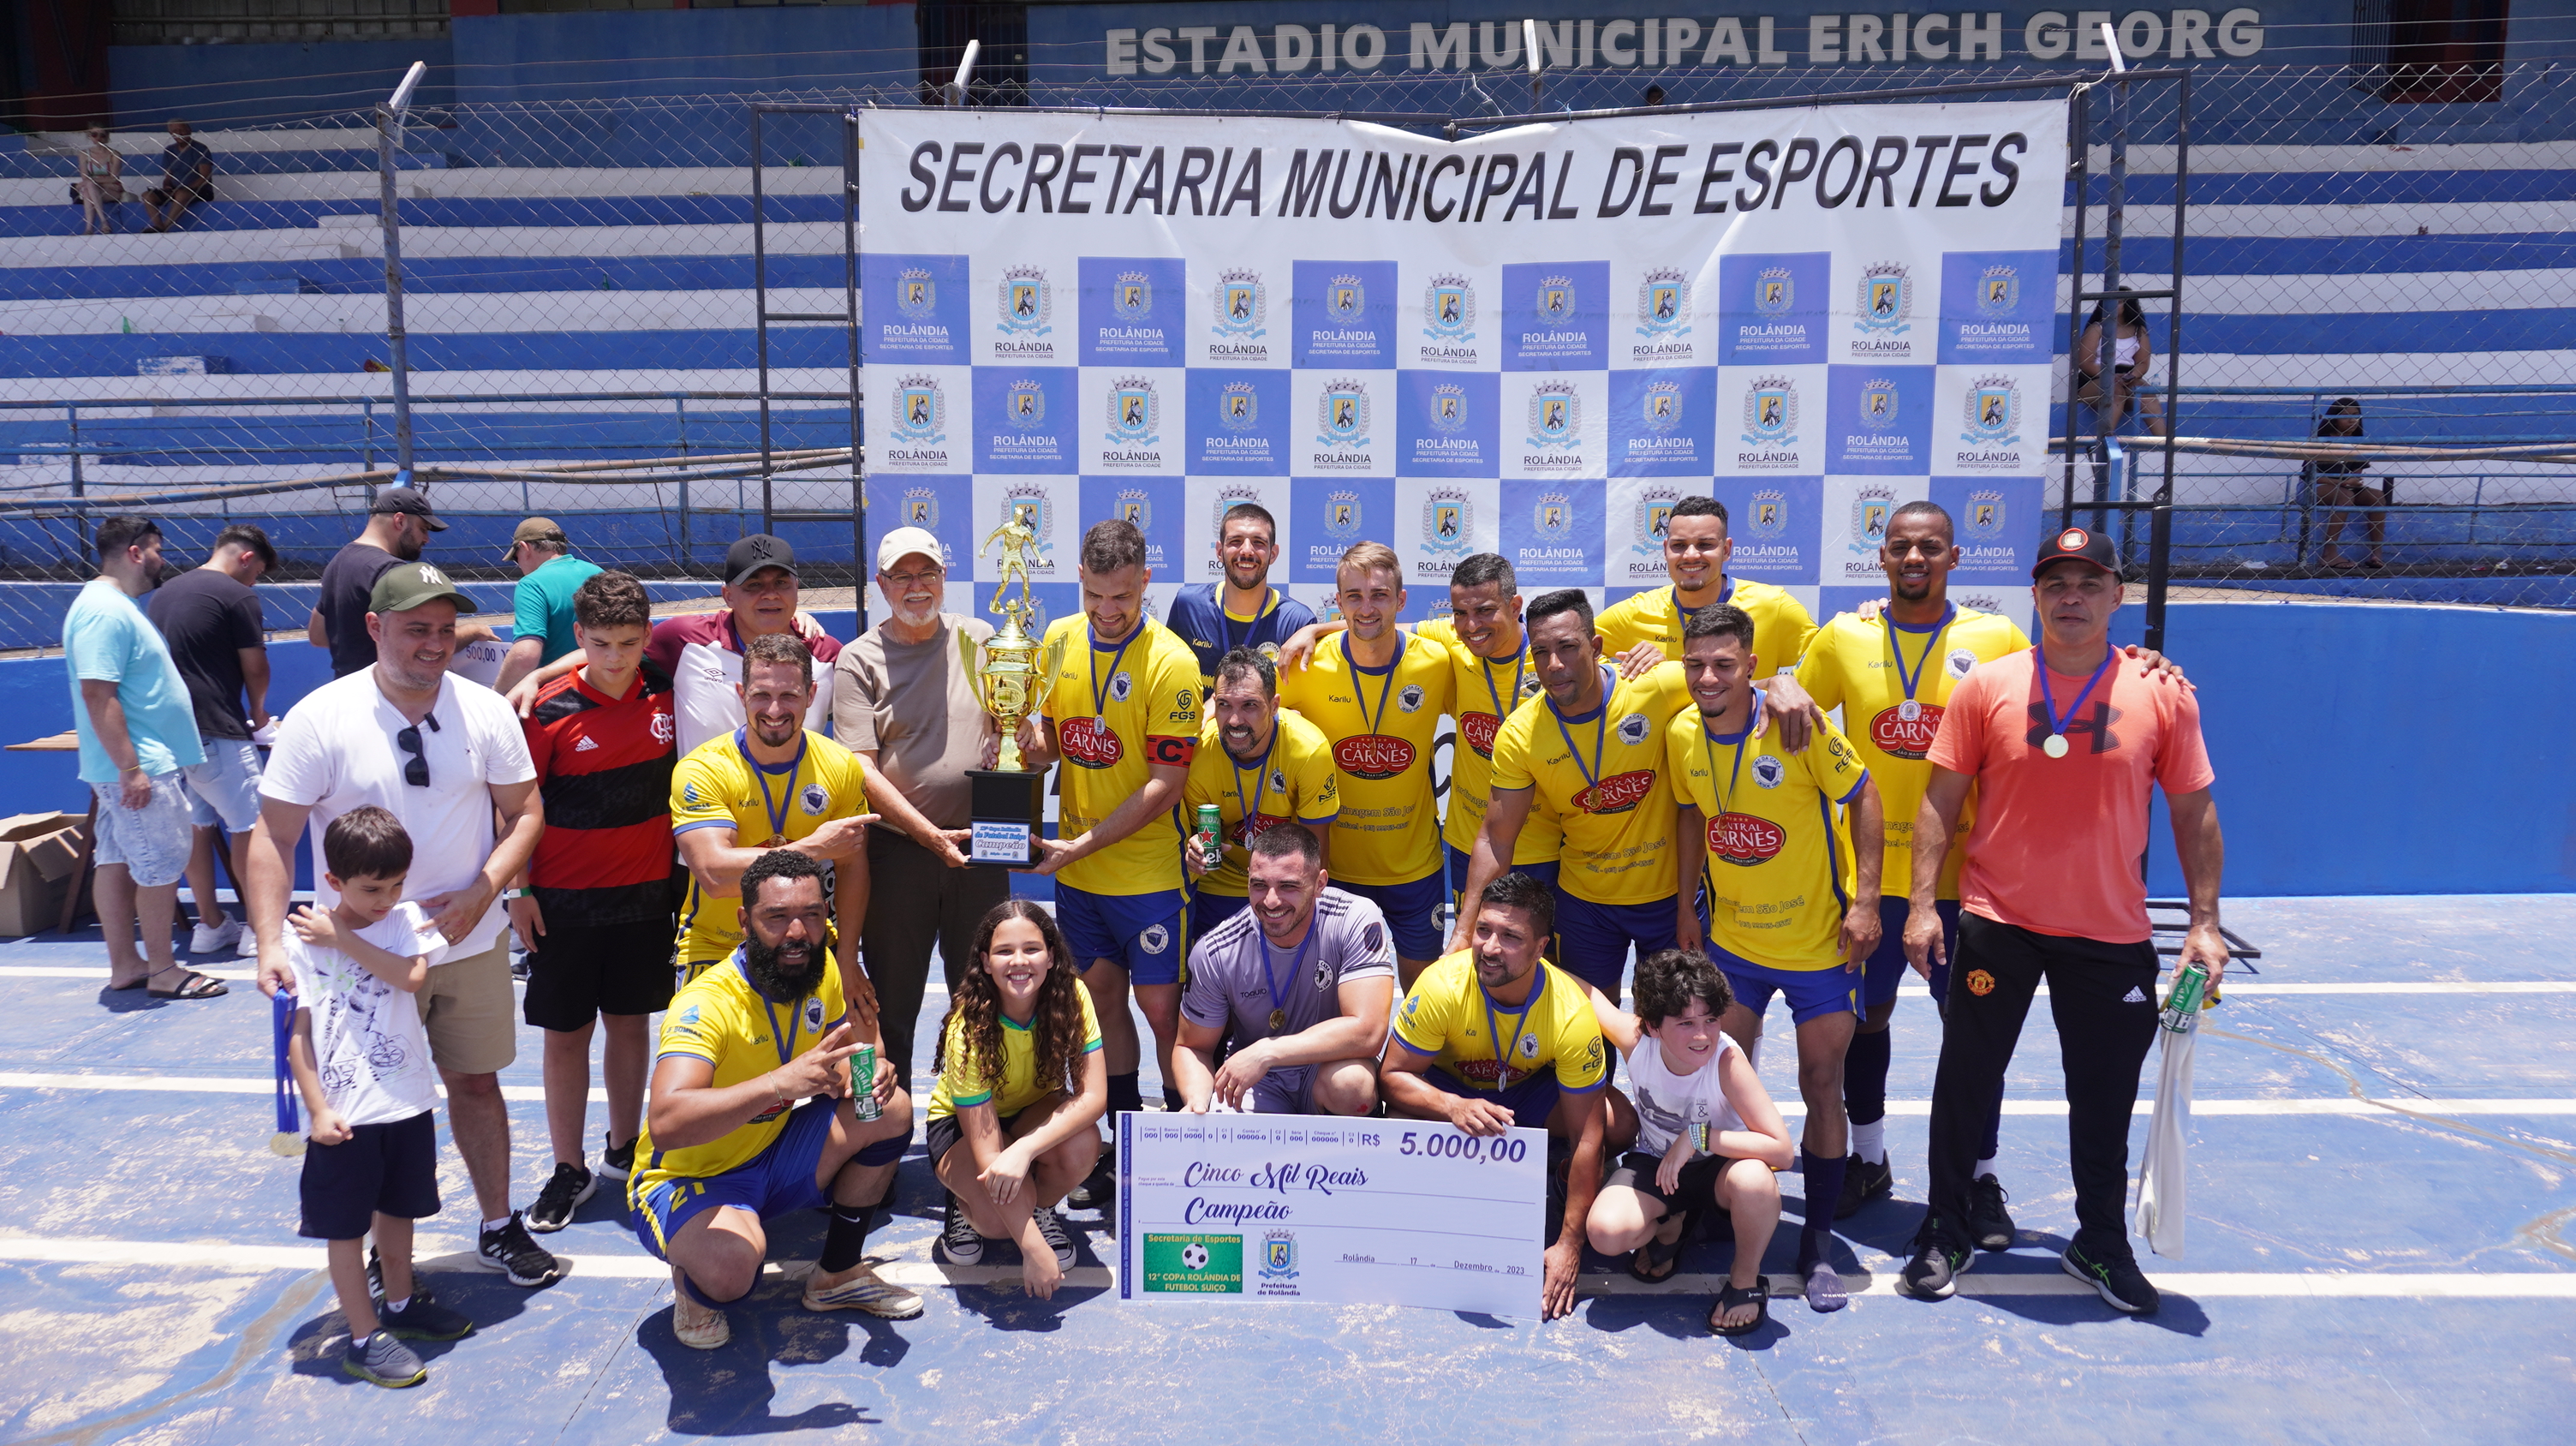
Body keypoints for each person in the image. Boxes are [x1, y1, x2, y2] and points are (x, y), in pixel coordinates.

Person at [1899, 525, 2226, 1317]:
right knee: (1966, 1082)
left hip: (2109, 931)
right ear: (2036, 596)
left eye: (2088, 584)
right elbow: (1940, 801)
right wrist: (1921, 905)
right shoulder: (1988, 686)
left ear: (2118, 596)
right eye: (2056, 584)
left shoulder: (2163, 692)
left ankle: (2100, 1243)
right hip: (1998, 919)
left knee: (2104, 1097)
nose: (2071, 598)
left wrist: (2204, 923)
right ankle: (1945, 1228)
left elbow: (2194, 812)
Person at [249, 560, 559, 1289]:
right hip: (360, 956)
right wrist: (267, 941)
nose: (436, 643)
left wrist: (484, 891)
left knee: (476, 1084)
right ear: (374, 627)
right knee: (369, 1105)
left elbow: (526, 813)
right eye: (417, 628)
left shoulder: (484, 711)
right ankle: (384, 1260)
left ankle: (497, 1225)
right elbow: (273, 835)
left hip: (466, 939)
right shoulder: (321, 717)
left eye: (446, 629)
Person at [1793, 501, 2028, 1226]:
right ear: (1882, 557)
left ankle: (1980, 1179)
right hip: (1866, 882)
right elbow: (1788, 705)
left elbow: (2060, 684)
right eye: (1900, 547)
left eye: (1930, 547)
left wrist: (2144, 660)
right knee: (1864, 1023)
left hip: (1966, 882)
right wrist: (1779, 682)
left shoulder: (1997, 637)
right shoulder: (1845, 635)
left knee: (1974, 1035)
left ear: (1955, 557)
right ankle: (1868, 1158)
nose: (1914, 558)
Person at [1671, 602, 1882, 1313]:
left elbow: (1865, 796)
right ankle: (1719, 1205)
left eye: (1724, 665)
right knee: (1718, 1085)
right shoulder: (1680, 732)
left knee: (1822, 1084)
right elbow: (1690, 815)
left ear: (1753, 666)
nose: (1708, 677)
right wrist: (1686, 906)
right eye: (1696, 664)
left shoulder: (1797, 723)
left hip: (1820, 947)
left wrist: (1866, 901)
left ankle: (1816, 1240)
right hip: (1735, 947)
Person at [631, 848, 922, 1347]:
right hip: (688, 1177)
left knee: (888, 1109)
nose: (797, 932)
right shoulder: (706, 1003)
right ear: (745, 921)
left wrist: (871, 1073)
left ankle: (837, 1274)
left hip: (769, 1152)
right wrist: (778, 1084)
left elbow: (848, 1056)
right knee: (730, 1269)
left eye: (812, 915)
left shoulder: (820, 969)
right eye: (777, 917)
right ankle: (692, 1281)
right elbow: (667, 1122)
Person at [1014, 519, 1201, 1205]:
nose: (1107, 610)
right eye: (1094, 595)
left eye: (1122, 596)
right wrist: (1027, 743)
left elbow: (1165, 786)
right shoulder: (1060, 638)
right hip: (1080, 878)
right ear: (1080, 581)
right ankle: (1121, 1147)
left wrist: (1083, 844)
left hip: (1148, 878)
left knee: (1163, 1013)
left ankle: (1183, 1149)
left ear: (1145, 581)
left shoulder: (1172, 662)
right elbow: (1054, 744)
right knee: (1101, 1009)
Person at [282, 805, 477, 1388]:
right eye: (371, 889)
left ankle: (400, 1302)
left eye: (396, 885)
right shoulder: (302, 940)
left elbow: (411, 977)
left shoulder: (403, 920)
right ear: (333, 881)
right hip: (346, 1115)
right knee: (346, 1230)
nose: (386, 899)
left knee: (400, 1211)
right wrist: (318, 1110)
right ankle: (364, 1338)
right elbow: (298, 1036)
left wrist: (342, 936)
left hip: (405, 1101)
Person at [514, 571, 677, 1233]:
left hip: (646, 896)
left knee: (631, 1025)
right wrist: (519, 890)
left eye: (629, 643)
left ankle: (623, 1147)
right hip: (563, 901)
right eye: (601, 643)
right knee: (566, 1037)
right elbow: (515, 808)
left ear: (647, 637)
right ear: (578, 636)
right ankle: (567, 1166)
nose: (615, 657)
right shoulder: (545, 709)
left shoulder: (665, 689)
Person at [1273, 553, 1562, 911]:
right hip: (1466, 844)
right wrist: (1314, 630)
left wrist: (1635, 661)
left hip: (1542, 845)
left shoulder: (1552, 658)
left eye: (1485, 611)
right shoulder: (1452, 642)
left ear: (1515, 606)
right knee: (1472, 943)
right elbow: (1377, 627)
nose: (1472, 625)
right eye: (1461, 614)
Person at [1382, 872, 1607, 1322]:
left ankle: (1558, 1179)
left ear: (1541, 948)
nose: (1489, 947)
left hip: (1525, 1095)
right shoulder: (1441, 985)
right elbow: (1391, 1076)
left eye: (1510, 937)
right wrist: (1452, 1106)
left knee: (1617, 1125)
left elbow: (1589, 1135)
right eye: (1483, 929)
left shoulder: (1572, 1013)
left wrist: (1570, 1244)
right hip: (1454, 1091)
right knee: (1396, 1123)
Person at [1458, 589, 1696, 1003]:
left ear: (1596, 647)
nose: (1554, 665)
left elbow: (1735, 691)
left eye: (1568, 647)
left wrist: (1783, 686)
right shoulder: (1520, 733)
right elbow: (1496, 838)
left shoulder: (1656, 685)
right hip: (1586, 905)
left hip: (1668, 899)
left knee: (1676, 1019)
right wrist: (1463, 933)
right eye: (1541, 652)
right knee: (1590, 1026)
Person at [671, 631, 947, 989]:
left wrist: (846, 958)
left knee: (864, 1026)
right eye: (761, 695)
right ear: (741, 694)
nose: (774, 710)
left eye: (789, 695)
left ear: (812, 695)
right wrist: (813, 849)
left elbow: (851, 867)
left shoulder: (839, 765)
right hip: (717, 944)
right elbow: (715, 877)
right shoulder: (702, 769)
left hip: (807, 947)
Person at [830, 525, 1001, 1081]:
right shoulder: (858, 660)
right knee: (889, 1003)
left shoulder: (982, 639)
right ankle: (884, 1117)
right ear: (881, 585)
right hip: (898, 853)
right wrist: (929, 835)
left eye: (926, 572)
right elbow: (860, 769)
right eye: (901, 576)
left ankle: (974, 1112)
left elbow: (1011, 724)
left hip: (980, 847)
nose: (916, 585)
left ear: (943, 577)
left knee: (983, 1000)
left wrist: (1015, 737)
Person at [1582, 948, 1794, 1335]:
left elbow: (1782, 1150)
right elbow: (1588, 995)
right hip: (1657, 1165)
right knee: (1604, 1234)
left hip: (1718, 1171)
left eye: (1710, 1019)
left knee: (1756, 1181)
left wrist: (1698, 1137)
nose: (1702, 1035)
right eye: (1685, 1023)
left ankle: (1745, 1281)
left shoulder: (1727, 1061)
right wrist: (1532, 961)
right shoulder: (1636, 1041)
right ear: (1652, 1026)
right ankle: (1670, 1227)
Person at [1276, 542, 1453, 983]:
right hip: (1335, 870)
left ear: (1401, 600)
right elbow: (1237, 698)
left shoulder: (1436, 661)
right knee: (1332, 998)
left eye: (1379, 595)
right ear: (1338, 601)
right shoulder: (1305, 664)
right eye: (1354, 596)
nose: (1367, 607)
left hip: (1415, 869)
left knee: (1423, 996)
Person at [67, 516, 218, 999]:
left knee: (116, 860)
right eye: (157, 549)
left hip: (131, 765)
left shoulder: (112, 607)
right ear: (136, 552)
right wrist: (132, 768)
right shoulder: (105, 611)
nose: (161, 559)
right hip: (139, 767)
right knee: (162, 864)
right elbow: (98, 693)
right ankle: (164, 971)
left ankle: (128, 965)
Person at [925, 899, 1109, 1297]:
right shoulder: (967, 1028)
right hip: (964, 1127)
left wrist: (1025, 1149)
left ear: (1051, 956)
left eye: (1032, 948)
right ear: (986, 962)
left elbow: (1094, 1096)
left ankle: (1037, 1208)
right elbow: (990, 1154)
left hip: (1030, 1111)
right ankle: (962, 1202)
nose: (1019, 961)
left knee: (1082, 1143)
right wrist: (1033, 1250)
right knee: (995, 1222)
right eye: (1004, 951)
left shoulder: (1073, 995)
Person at [512, 534, 838, 757]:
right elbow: (615, 650)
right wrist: (537, 677)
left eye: (781, 583)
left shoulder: (827, 654)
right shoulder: (684, 640)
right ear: (728, 595)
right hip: (705, 818)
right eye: (754, 585)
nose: (770, 595)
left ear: (797, 588)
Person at [1174, 825, 1392, 1115]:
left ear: (1319, 884)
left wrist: (1267, 1051)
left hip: (1325, 1066)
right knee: (1222, 1116)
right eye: (1259, 885)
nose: (1271, 901)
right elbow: (1192, 1047)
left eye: (1288, 886)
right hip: (1258, 1079)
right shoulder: (1216, 950)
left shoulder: (1354, 918)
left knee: (1353, 1085)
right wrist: (1197, 1101)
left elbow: (1369, 1032)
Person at [145, 521, 276, 961]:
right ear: (246, 558)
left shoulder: (163, 594)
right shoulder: (237, 595)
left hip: (171, 733)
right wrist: (260, 716)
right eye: (257, 573)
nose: (254, 582)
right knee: (253, 827)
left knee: (197, 827)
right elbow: (255, 666)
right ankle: (258, 927)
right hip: (218, 727)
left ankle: (210, 924)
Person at [1594, 496, 1819, 702]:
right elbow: (1579, 656)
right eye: (1679, 545)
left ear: (1726, 549)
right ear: (1665, 550)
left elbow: (1825, 661)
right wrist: (1629, 675)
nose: (1691, 555)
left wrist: (1782, 684)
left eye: (1705, 545)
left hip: (1748, 734)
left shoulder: (1772, 606)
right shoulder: (1635, 612)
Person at [1180, 646, 1338, 941]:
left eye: (1249, 706)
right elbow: (1199, 836)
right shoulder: (1199, 754)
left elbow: (1316, 851)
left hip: (1287, 887)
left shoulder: (1308, 750)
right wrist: (1195, 850)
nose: (1235, 721)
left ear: (1275, 705)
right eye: (1224, 705)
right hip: (1220, 886)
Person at [310, 487, 493, 678]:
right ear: (400, 521)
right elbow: (424, 644)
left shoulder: (338, 561)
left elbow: (318, 636)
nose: (427, 540)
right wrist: (474, 631)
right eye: (423, 529)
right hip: (386, 689)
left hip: (347, 684)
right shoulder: (391, 572)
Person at [1163, 501, 1317, 689]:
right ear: (1219, 551)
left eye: (1258, 542)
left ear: (1273, 554)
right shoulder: (1188, 606)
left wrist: (1316, 629)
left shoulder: (1297, 621)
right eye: (1235, 541)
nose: (1246, 551)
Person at [493, 517, 602, 694]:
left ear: (524, 548)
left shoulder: (532, 584)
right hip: (604, 685)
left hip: (557, 694)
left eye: (516, 557)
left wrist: (497, 694)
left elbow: (526, 655)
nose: (519, 564)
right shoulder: (597, 573)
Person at [2075, 296, 2168, 439]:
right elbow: (2085, 363)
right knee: (2115, 391)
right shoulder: (2097, 328)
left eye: (2118, 302)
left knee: (2146, 392)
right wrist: (2110, 376)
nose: (2112, 304)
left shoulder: (2138, 331)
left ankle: (2163, 441)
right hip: (2095, 378)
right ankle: (2105, 440)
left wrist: (2131, 376)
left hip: (2127, 377)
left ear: (2128, 304)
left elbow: (2143, 363)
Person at [2310, 397, 2386, 569]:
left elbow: (2355, 475)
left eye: (2356, 415)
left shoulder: (2357, 442)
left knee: (2377, 496)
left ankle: (2376, 554)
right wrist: (2342, 483)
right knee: (2345, 496)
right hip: (2316, 487)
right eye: (2346, 416)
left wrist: (2351, 482)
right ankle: (2329, 554)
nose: (2352, 420)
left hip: (2344, 487)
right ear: (2334, 418)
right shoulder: (2322, 441)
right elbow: (2310, 477)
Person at [143, 119, 214, 233]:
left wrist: (185, 188)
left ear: (189, 131)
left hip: (199, 191)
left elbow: (205, 176)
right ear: (171, 134)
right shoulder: (169, 150)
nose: (179, 133)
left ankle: (165, 227)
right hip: (175, 190)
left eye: (181, 130)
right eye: (175, 131)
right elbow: (168, 177)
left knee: (181, 194)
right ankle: (158, 226)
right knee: (147, 196)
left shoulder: (200, 149)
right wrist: (167, 186)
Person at [77, 126, 122, 236]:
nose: (98, 138)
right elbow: (85, 178)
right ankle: (103, 222)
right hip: (97, 188)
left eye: (102, 135)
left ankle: (89, 228)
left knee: (88, 188)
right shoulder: (84, 154)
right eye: (94, 135)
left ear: (107, 137)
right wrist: (100, 181)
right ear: (90, 136)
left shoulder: (114, 154)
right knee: (88, 189)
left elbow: (114, 178)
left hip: (112, 190)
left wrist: (92, 180)